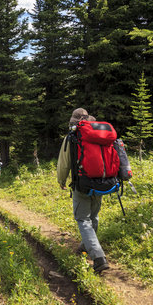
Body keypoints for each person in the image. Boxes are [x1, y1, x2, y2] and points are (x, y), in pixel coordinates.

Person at [57, 108, 110, 273]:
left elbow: (64, 163)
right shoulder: (100, 134)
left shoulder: (72, 138)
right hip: (102, 183)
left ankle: (98, 257)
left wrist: (61, 180)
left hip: (83, 184)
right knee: (93, 216)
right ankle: (85, 246)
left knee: (83, 219)